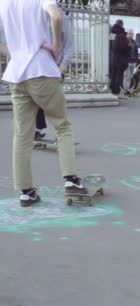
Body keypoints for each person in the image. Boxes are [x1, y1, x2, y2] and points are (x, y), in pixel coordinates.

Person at [0, 0, 87, 207]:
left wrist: (13, 53)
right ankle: (71, 180)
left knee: (22, 134)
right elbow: (56, 17)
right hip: (41, 70)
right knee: (62, 125)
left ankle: (26, 192)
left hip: (16, 74)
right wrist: (56, 46)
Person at [35, 10, 73, 140]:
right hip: (40, 66)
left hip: (57, 67)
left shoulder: (62, 17)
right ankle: (40, 128)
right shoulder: (36, 15)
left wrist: (64, 64)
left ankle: (60, 132)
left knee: (56, 103)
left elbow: (68, 45)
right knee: (37, 100)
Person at [110, 19, 129, 97]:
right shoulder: (121, 34)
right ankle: (116, 91)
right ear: (122, 25)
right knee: (119, 76)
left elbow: (111, 47)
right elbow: (122, 48)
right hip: (120, 59)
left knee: (113, 75)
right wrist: (129, 47)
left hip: (113, 58)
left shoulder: (112, 33)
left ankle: (113, 89)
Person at [123, 29, 139, 96]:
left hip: (133, 61)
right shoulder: (124, 41)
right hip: (127, 61)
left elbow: (136, 52)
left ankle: (128, 90)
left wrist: (136, 60)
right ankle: (126, 90)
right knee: (127, 76)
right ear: (127, 34)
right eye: (129, 33)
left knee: (131, 76)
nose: (130, 35)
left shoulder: (134, 42)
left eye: (132, 33)